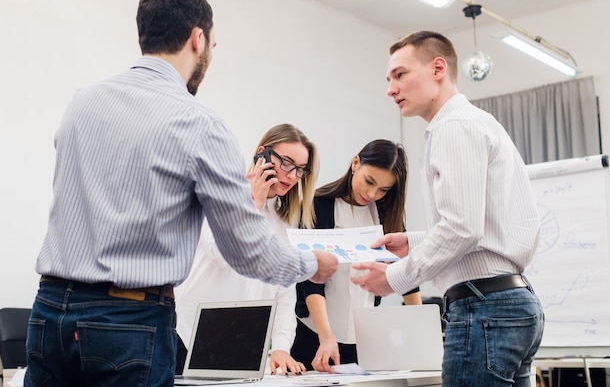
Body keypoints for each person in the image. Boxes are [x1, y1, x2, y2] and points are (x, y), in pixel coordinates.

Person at [24, 0, 337, 387]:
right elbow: (247, 253)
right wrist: (312, 264)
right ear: (198, 39)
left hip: (50, 311)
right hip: (129, 319)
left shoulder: (81, 103)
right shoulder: (200, 123)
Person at [351, 30, 544, 387]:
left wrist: (394, 278)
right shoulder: (478, 122)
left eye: (400, 74)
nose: (390, 89)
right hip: (511, 305)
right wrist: (415, 240)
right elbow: (482, 226)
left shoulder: (453, 127)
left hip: (484, 309)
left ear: (438, 68)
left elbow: (462, 229)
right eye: (389, 79)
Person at [175, 123, 319, 376]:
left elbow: (284, 291)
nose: (291, 175)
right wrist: (254, 203)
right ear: (261, 153)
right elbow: (222, 256)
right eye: (286, 162)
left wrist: (282, 347)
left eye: (299, 170)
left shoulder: (286, 220)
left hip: (241, 343)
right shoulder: (225, 194)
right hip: (188, 336)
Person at [291, 139, 422, 373]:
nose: (372, 194)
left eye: (384, 190)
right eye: (369, 181)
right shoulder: (318, 205)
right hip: (315, 335)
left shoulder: (386, 215)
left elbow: (406, 275)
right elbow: (310, 281)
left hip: (363, 337)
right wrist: (326, 336)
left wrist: (423, 332)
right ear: (355, 163)